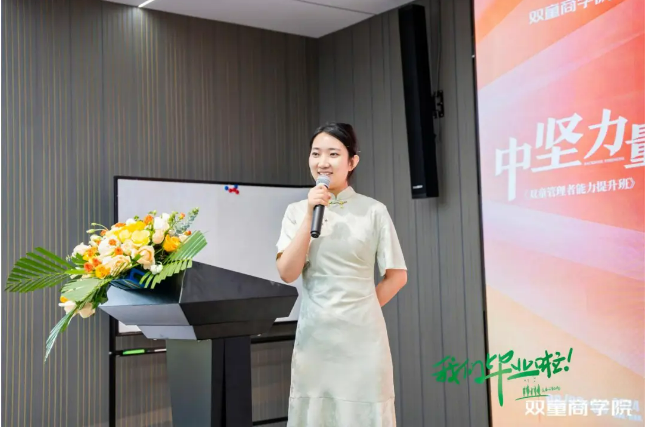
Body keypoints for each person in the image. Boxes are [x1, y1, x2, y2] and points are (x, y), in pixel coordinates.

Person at [275, 122, 408, 427]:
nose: (323, 161)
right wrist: (309, 215)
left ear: (352, 162)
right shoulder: (296, 211)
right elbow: (287, 272)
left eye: (333, 154)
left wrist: (362, 308)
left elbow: (397, 276)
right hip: (315, 339)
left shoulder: (373, 211)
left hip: (362, 339)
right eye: (316, 153)